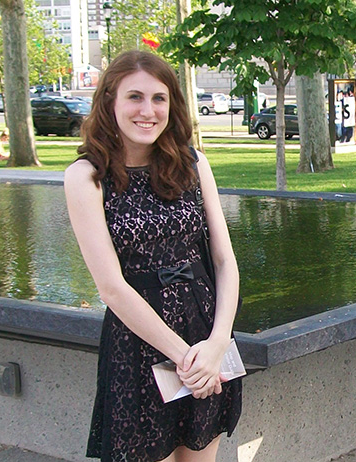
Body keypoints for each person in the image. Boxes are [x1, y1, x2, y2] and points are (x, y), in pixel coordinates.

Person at [64, 50, 242, 462]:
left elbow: (224, 261)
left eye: (159, 98)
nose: (148, 110)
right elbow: (111, 287)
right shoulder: (87, 176)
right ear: (110, 102)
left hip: (205, 335)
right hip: (140, 346)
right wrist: (186, 360)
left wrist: (215, 345)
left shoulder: (194, 164)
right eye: (135, 97)